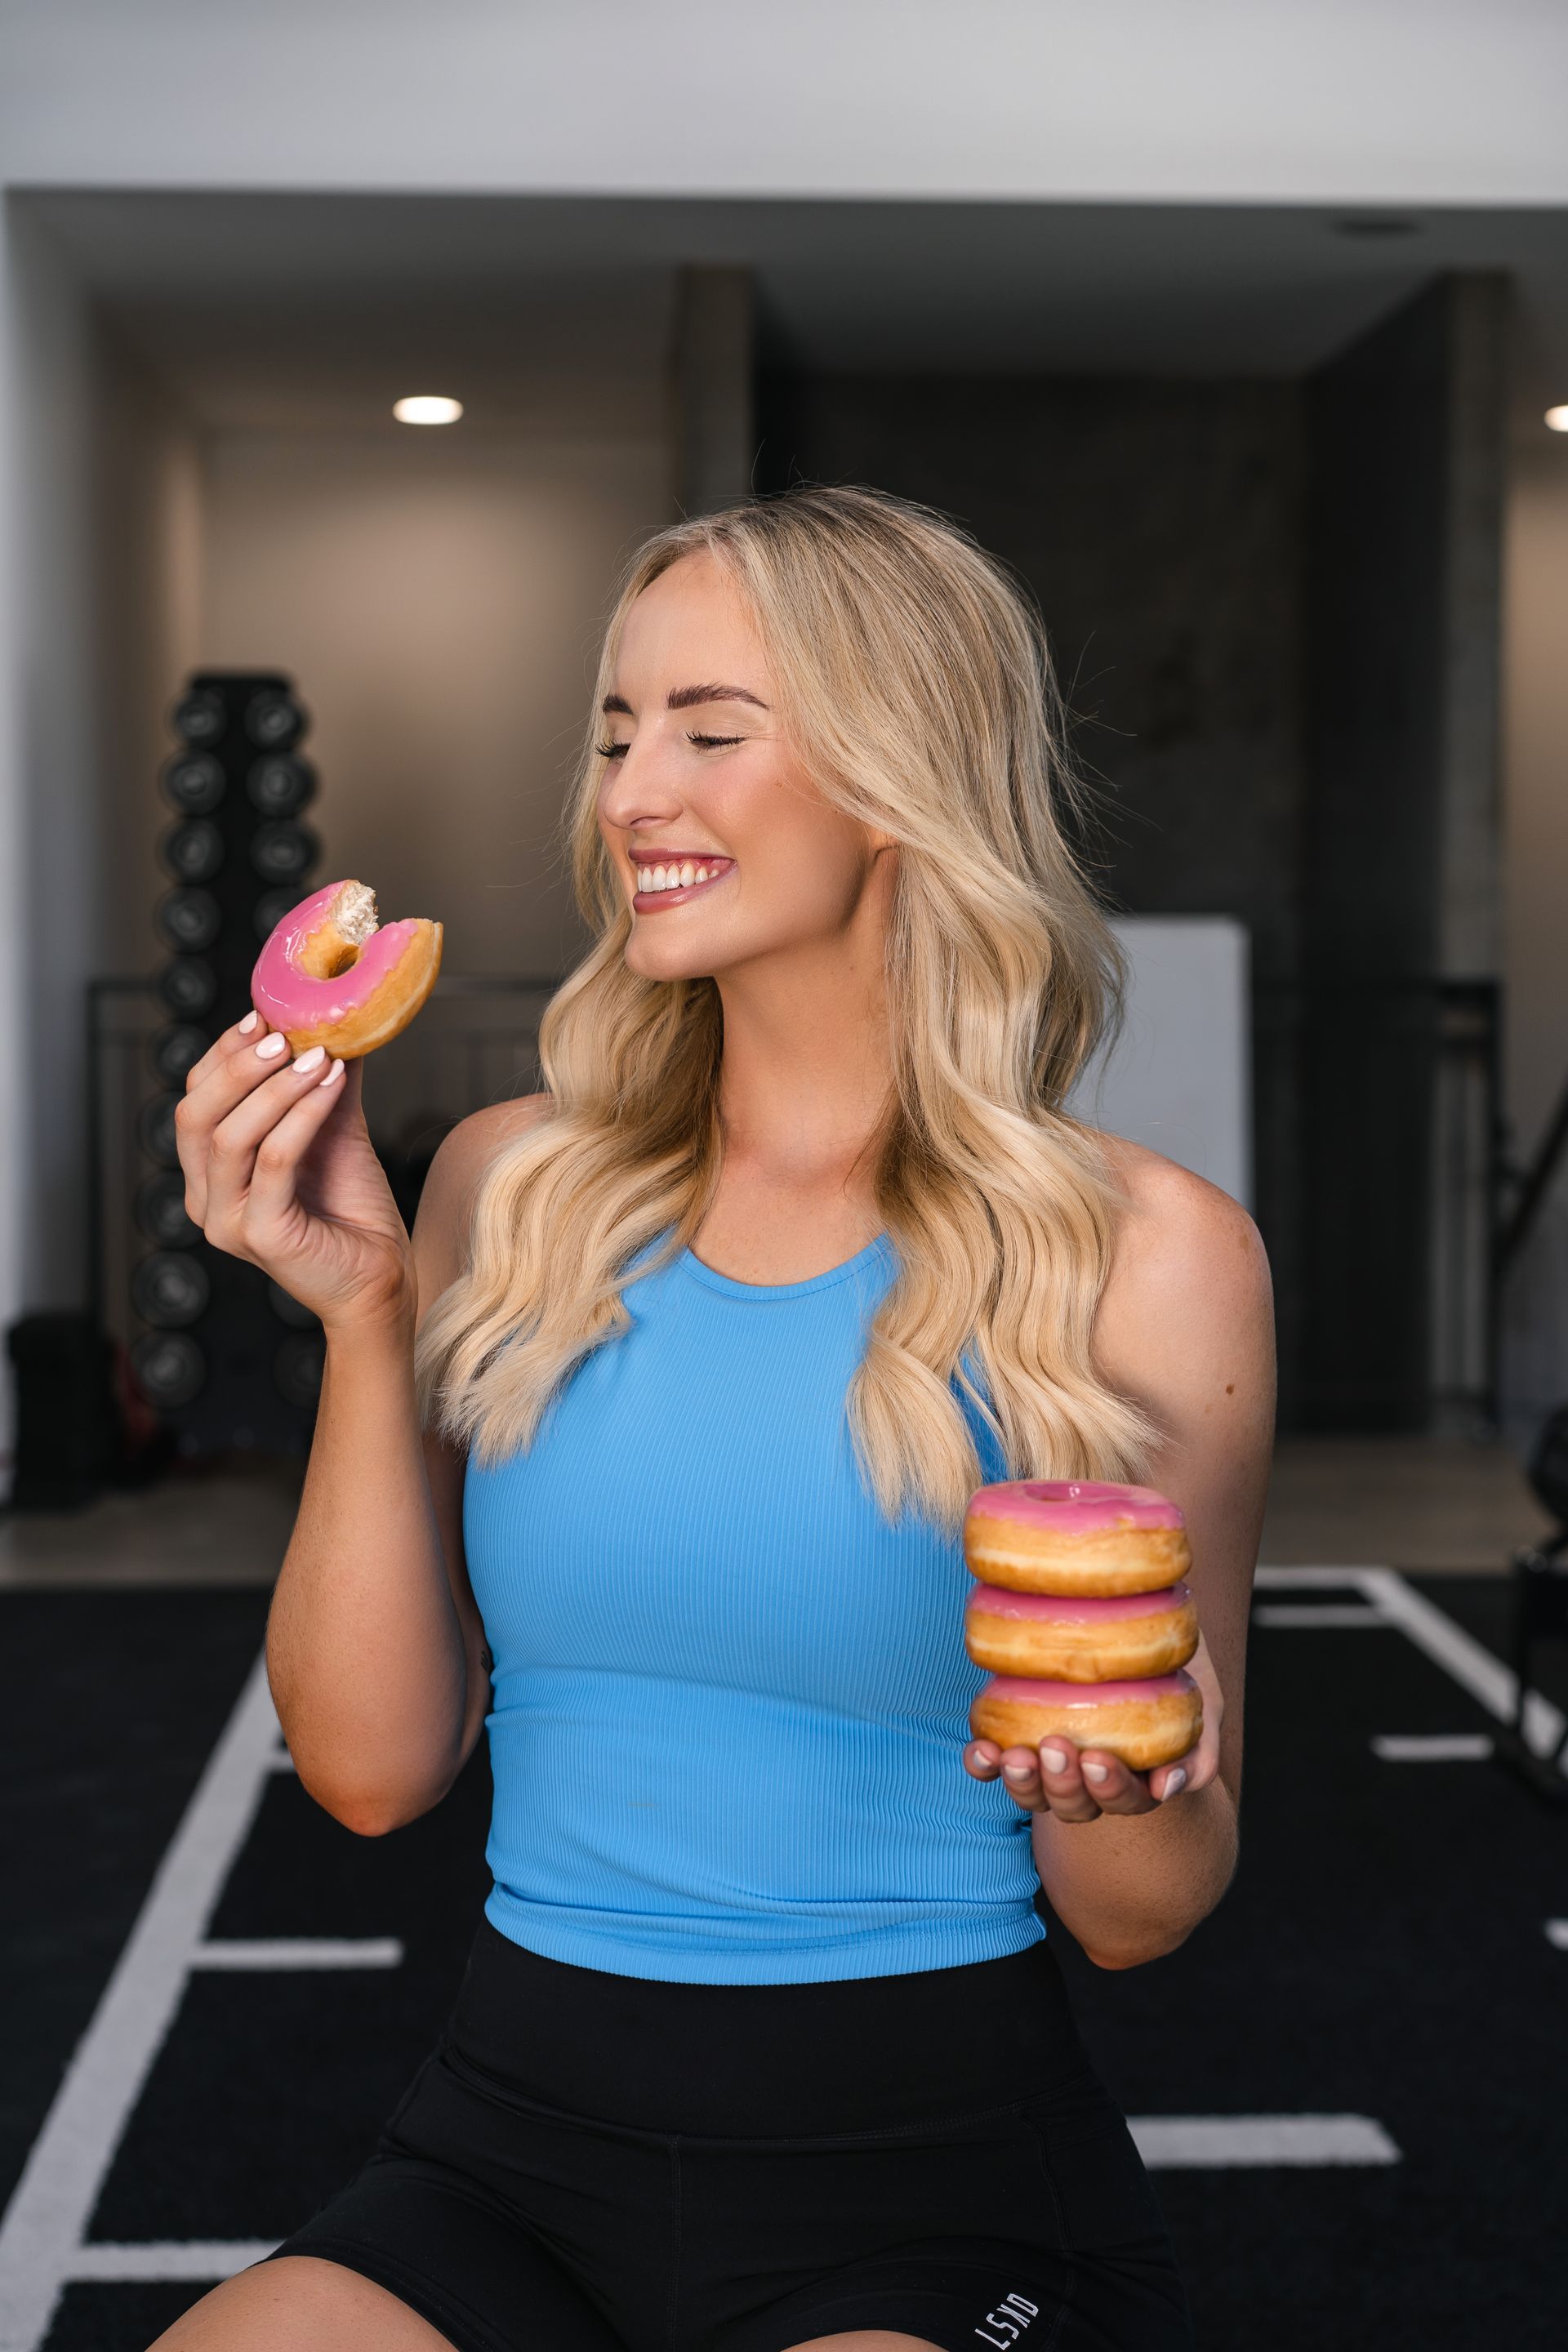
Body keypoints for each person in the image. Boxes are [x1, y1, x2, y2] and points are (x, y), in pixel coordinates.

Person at [154, 485, 1273, 2352]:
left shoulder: (1148, 1257)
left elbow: (1140, 1913)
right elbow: (367, 1771)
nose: (630, 796)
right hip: (506, 2152)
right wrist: (361, 1316)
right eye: (616, 734)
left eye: (707, 730)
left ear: (901, 774)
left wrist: (1123, 1779)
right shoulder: (507, 1185)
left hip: (935, 2187)